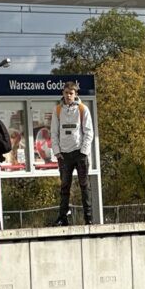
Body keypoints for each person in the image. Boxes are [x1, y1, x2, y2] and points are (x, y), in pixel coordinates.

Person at [51, 80, 94, 226]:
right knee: (64, 187)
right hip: (64, 155)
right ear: (62, 93)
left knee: (84, 185)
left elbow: (89, 132)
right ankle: (63, 217)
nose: (68, 96)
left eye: (71, 93)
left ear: (75, 94)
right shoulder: (57, 110)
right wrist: (57, 152)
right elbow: (54, 133)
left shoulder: (83, 109)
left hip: (79, 153)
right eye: (66, 93)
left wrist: (84, 151)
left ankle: (88, 218)